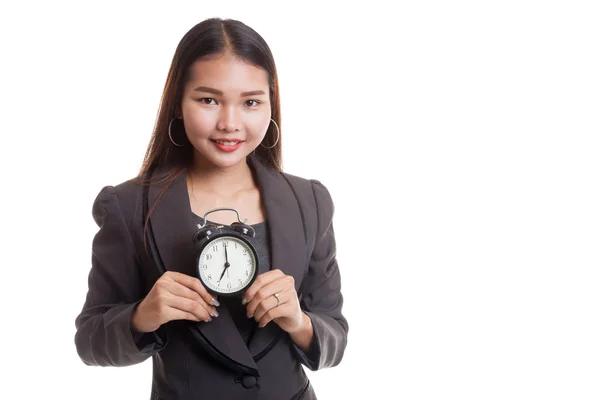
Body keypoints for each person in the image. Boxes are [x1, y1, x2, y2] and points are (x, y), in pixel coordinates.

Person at [74, 17, 348, 400]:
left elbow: (335, 333)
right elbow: (90, 342)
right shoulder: (128, 206)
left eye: (251, 102)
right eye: (208, 100)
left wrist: (299, 321)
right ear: (178, 105)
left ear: (271, 106)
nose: (230, 123)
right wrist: (143, 315)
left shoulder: (310, 201)